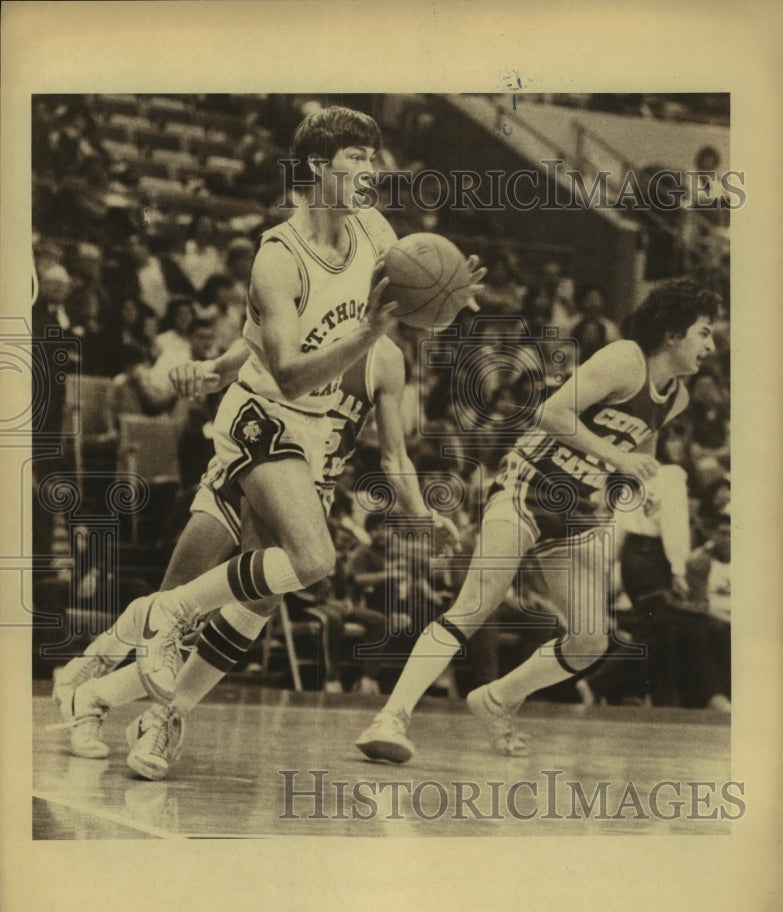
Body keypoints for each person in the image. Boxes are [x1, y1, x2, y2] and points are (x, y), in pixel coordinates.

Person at [53, 331, 460, 772]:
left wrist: (421, 515)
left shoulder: (386, 360)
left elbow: (394, 457)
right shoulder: (310, 307)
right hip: (249, 462)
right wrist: (205, 373)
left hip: (305, 491)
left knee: (253, 603)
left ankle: (150, 712)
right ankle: (95, 668)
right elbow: (229, 364)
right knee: (173, 608)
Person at [355, 276, 719, 763]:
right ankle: (391, 717)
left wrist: (640, 486)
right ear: (673, 333)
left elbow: (639, 449)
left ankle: (498, 699)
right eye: (704, 332)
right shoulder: (625, 358)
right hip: (527, 486)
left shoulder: (676, 397)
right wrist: (621, 458)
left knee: (591, 640)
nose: (712, 346)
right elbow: (550, 413)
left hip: (575, 514)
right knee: (475, 604)